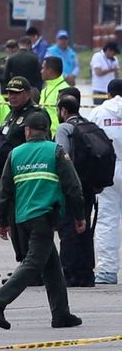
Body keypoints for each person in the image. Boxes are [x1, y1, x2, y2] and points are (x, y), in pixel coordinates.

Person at [0, 112, 84, 330]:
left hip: (22, 219)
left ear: (27, 130)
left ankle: (61, 314)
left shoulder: (15, 154)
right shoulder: (55, 151)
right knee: (33, 264)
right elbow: (73, 186)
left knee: (52, 266)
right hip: (43, 217)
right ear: (46, 131)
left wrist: (3, 221)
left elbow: (5, 191)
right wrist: (79, 215)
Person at [55, 90, 96, 287]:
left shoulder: (64, 128)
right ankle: (86, 273)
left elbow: (61, 158)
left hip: (71, 186)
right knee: (85, 228)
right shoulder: (88, 125)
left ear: (63, 110)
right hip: (89, 185)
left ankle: (70, 273)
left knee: (68, 229)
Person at [86, 78, 122, 284]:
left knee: (107, 220)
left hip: (107, 170)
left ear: (108, 94)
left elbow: (87, 139)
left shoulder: (99, 112)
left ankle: (107, 271)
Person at [2, 77, 51, 147]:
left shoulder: (37, 114)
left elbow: (42, 144)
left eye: (17, 93)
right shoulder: (12, 112)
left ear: (28, 93)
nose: (13, 97)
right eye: (10, 93)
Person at [38, 56, 67, 135]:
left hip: (57, 136)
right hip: (45, 134)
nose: (41, 71)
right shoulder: (44, 90)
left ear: (50, 70)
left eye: (43, 68)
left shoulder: (64, 90)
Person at [90, 41, 119, 106]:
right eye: (113, 52)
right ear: (108, 50)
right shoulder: (97, 56)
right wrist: (111, 70)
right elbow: (98, 72)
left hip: (110, 91)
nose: (114, 55)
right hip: (99, 89)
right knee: (98, 108)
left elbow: (116, 74)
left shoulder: (114, 59)